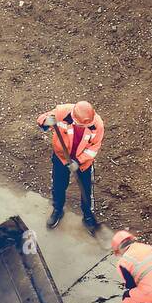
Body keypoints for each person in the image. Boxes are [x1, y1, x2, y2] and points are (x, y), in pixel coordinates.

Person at [36, 100, 104, 234]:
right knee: (58, 186)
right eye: (80, 125)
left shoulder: (97, 125)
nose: (83, 127)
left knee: (86, 190)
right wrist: (45, 121)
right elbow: (41, 120)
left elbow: (93, 148)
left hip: (83, 163)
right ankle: (58, 210)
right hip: (61, 158)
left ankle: (88, 216)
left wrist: (78, 162)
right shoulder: (62, 112)